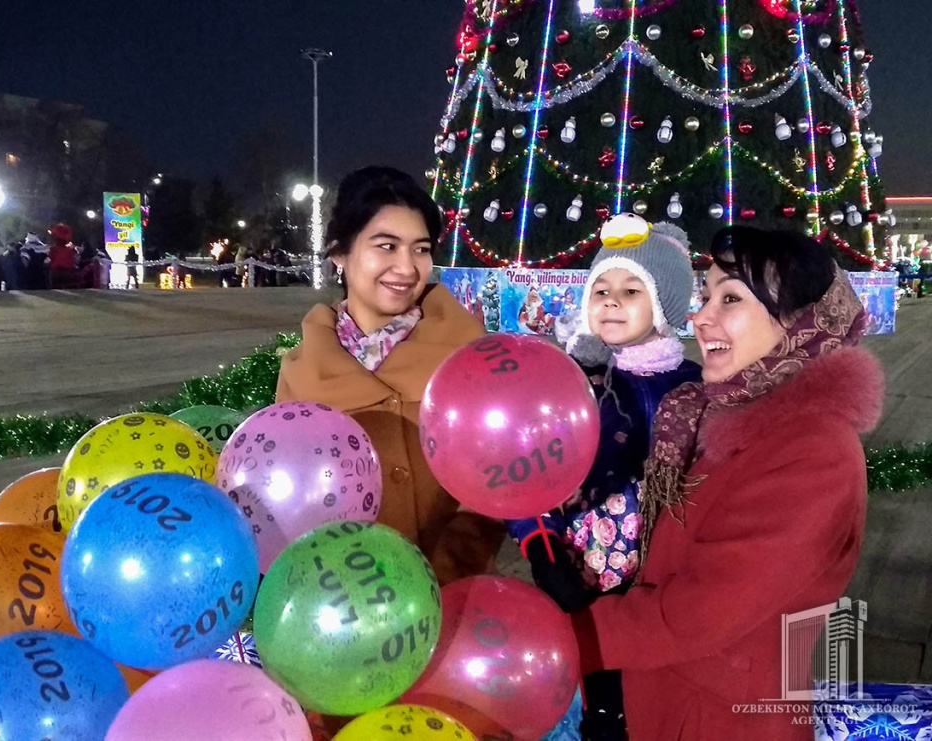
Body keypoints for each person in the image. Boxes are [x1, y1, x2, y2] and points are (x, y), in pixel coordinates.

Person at [566, 226, 883, 740]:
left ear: (799, 324)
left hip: (723, 719)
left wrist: (562, 634)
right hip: (668, 698)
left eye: (730, 298)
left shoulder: (813, 452)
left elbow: (696, 613)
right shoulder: (710, 414)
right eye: (706, 296)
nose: (700, 317)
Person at [508, 216, 701, 740]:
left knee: (653, 699)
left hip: (665, 586)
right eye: (601, 289)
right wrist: (539, 544)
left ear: (665, 305)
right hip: (579, 576)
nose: (611, 301)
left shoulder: (696, 388)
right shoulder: (568, 382)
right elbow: (521, 469)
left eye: (632, 291)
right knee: (592, 696)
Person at [276, 166, 505, 586]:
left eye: (421, 249)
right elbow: (288, 499)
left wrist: (447, 571)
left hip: (454, 595)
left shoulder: (467, 355)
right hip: (344, 598)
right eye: (387, 246)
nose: (407, 267)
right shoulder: (302, 372)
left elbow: (494, 480)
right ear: (339, 253)